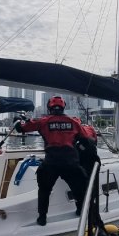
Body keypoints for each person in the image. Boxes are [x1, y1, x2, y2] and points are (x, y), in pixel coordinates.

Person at [15, 96, 88, 226]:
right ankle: (80, 211)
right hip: (70, 161)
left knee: (44, 190)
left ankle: (42, 218)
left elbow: (22, 128)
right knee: (78, 187)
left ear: (49, 107)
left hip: (52, 161)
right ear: (63, 107)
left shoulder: (43, 121)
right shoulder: (74, 122)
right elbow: (86, 138)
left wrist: (18, 121)